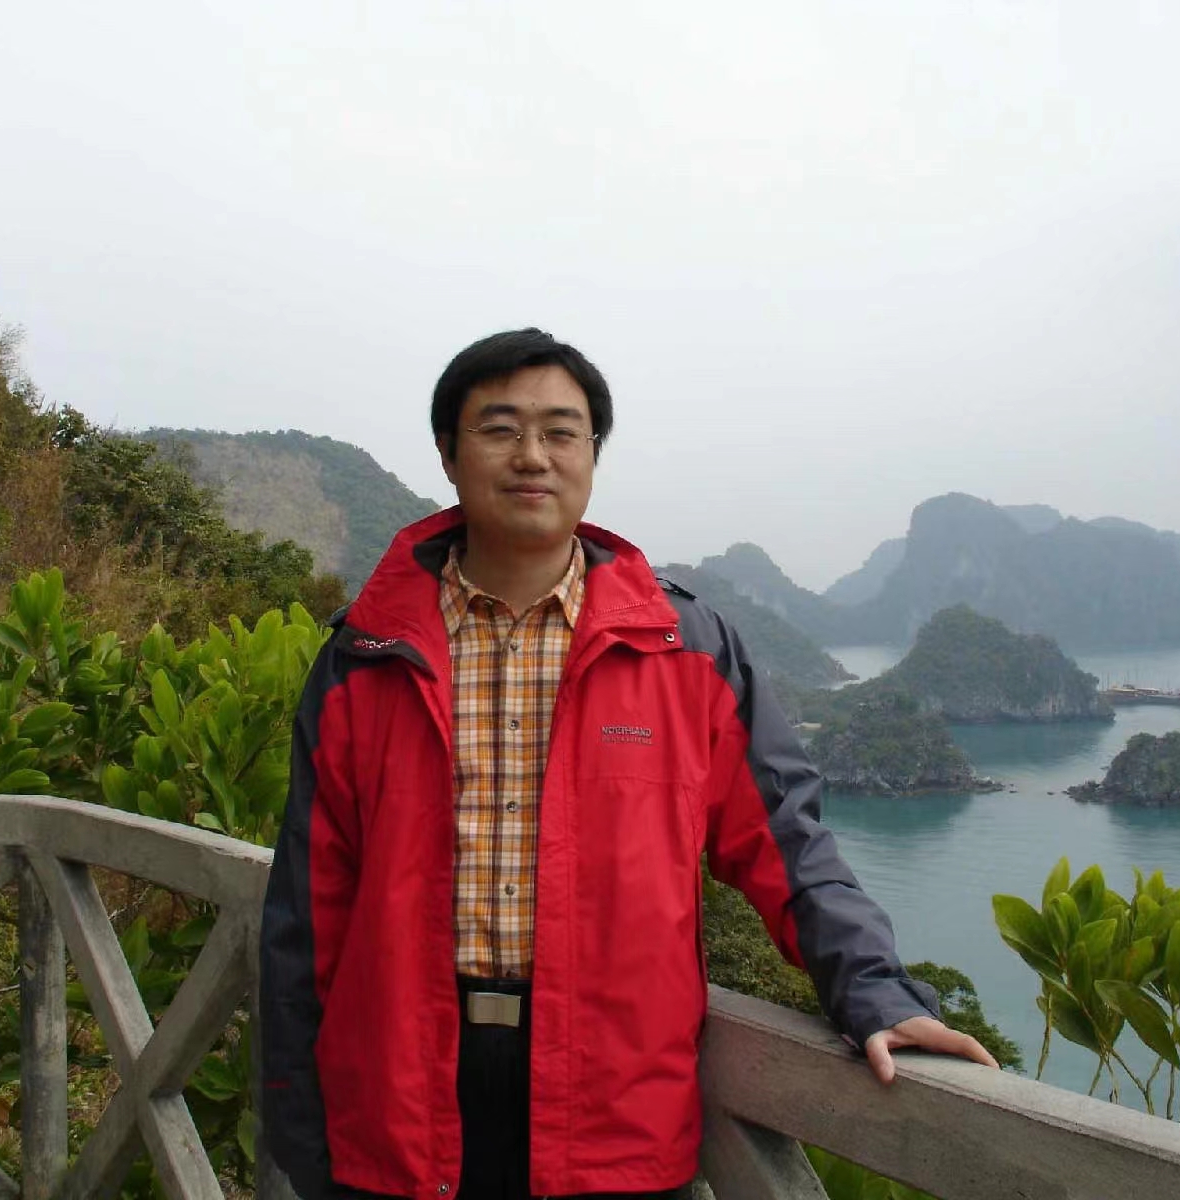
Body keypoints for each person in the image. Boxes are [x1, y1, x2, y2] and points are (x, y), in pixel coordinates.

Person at [259, 329, 997, 1200]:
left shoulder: (685, 651)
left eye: (561, 431)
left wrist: (873, 989)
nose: (532, 455)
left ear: (592, 455)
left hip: (610, 1110)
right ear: (449, 454)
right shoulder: (367, 654)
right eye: (499, 428)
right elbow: (309, 905)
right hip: (396, 1096)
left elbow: (786, 842)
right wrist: (297, 1128)